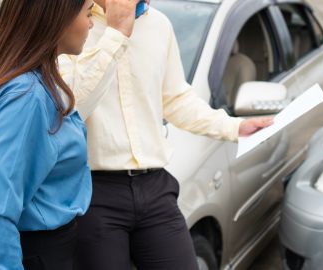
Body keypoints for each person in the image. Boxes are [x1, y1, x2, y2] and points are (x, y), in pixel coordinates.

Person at [59, 0, 274, 269]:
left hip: (155, 187)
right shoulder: (74, 25)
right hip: (94, 193)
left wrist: (234, 127)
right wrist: (116, 33)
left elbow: (176, 99)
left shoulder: (158, 25)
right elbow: (72, 106)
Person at [0, 0, 99, 269]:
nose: (92, 23)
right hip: (40, 255)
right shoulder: (28, 96)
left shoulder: (34, 83)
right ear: (58, 17)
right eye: (88, 12)